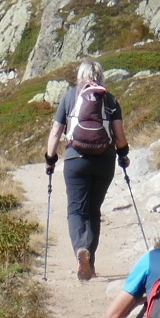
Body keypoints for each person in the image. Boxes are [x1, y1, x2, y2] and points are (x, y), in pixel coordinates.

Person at [45, 60, 127, 280]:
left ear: (80, 75)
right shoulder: (109, 99)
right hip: (104, 160)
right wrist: (123, 155)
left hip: (76, 159)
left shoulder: (70, 96)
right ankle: (90, 260)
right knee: (93, 211)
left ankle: (81, 249)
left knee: (76, 210)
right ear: (101, 76)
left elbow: (55, 132)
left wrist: (50, 159)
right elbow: (119, 135)